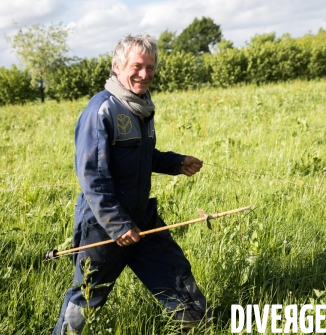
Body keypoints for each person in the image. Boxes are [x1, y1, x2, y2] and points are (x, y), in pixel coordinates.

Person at [53, 34, 210, 334]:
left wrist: (177, 163)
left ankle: (199, 325)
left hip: (142, 221)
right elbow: (92, 176)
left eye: (150, 68)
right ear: (117, 66)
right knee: (86, 298)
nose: (145, 74)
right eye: (137, 66)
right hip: (104, 226)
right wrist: (116, 224)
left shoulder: (141, 107)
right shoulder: (102, 110)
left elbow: (143, 157)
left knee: (180, 282)